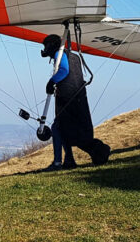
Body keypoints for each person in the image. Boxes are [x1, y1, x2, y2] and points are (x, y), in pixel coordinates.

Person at [41, 34, 111, 168]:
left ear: (51, 46)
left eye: (46, 46)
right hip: (79, 97)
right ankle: (71, 160)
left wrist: (52, 81)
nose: (45, 50)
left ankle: (58, 162)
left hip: (68, 98)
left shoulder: (59, 54)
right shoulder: (75, 56)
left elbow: (64, 70)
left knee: (58, 127)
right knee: (68, 130)